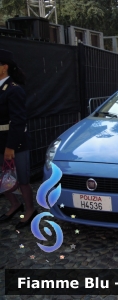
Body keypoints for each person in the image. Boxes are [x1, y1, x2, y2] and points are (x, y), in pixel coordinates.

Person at [0, 49, 37, 229]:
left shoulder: (14, 90)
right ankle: (15, 204)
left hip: (15, 141)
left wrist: (10, 147)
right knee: (2, 177)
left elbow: (18, 120)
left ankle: (30, 209)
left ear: (4, 67)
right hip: (0, 139)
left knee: (22, 179)